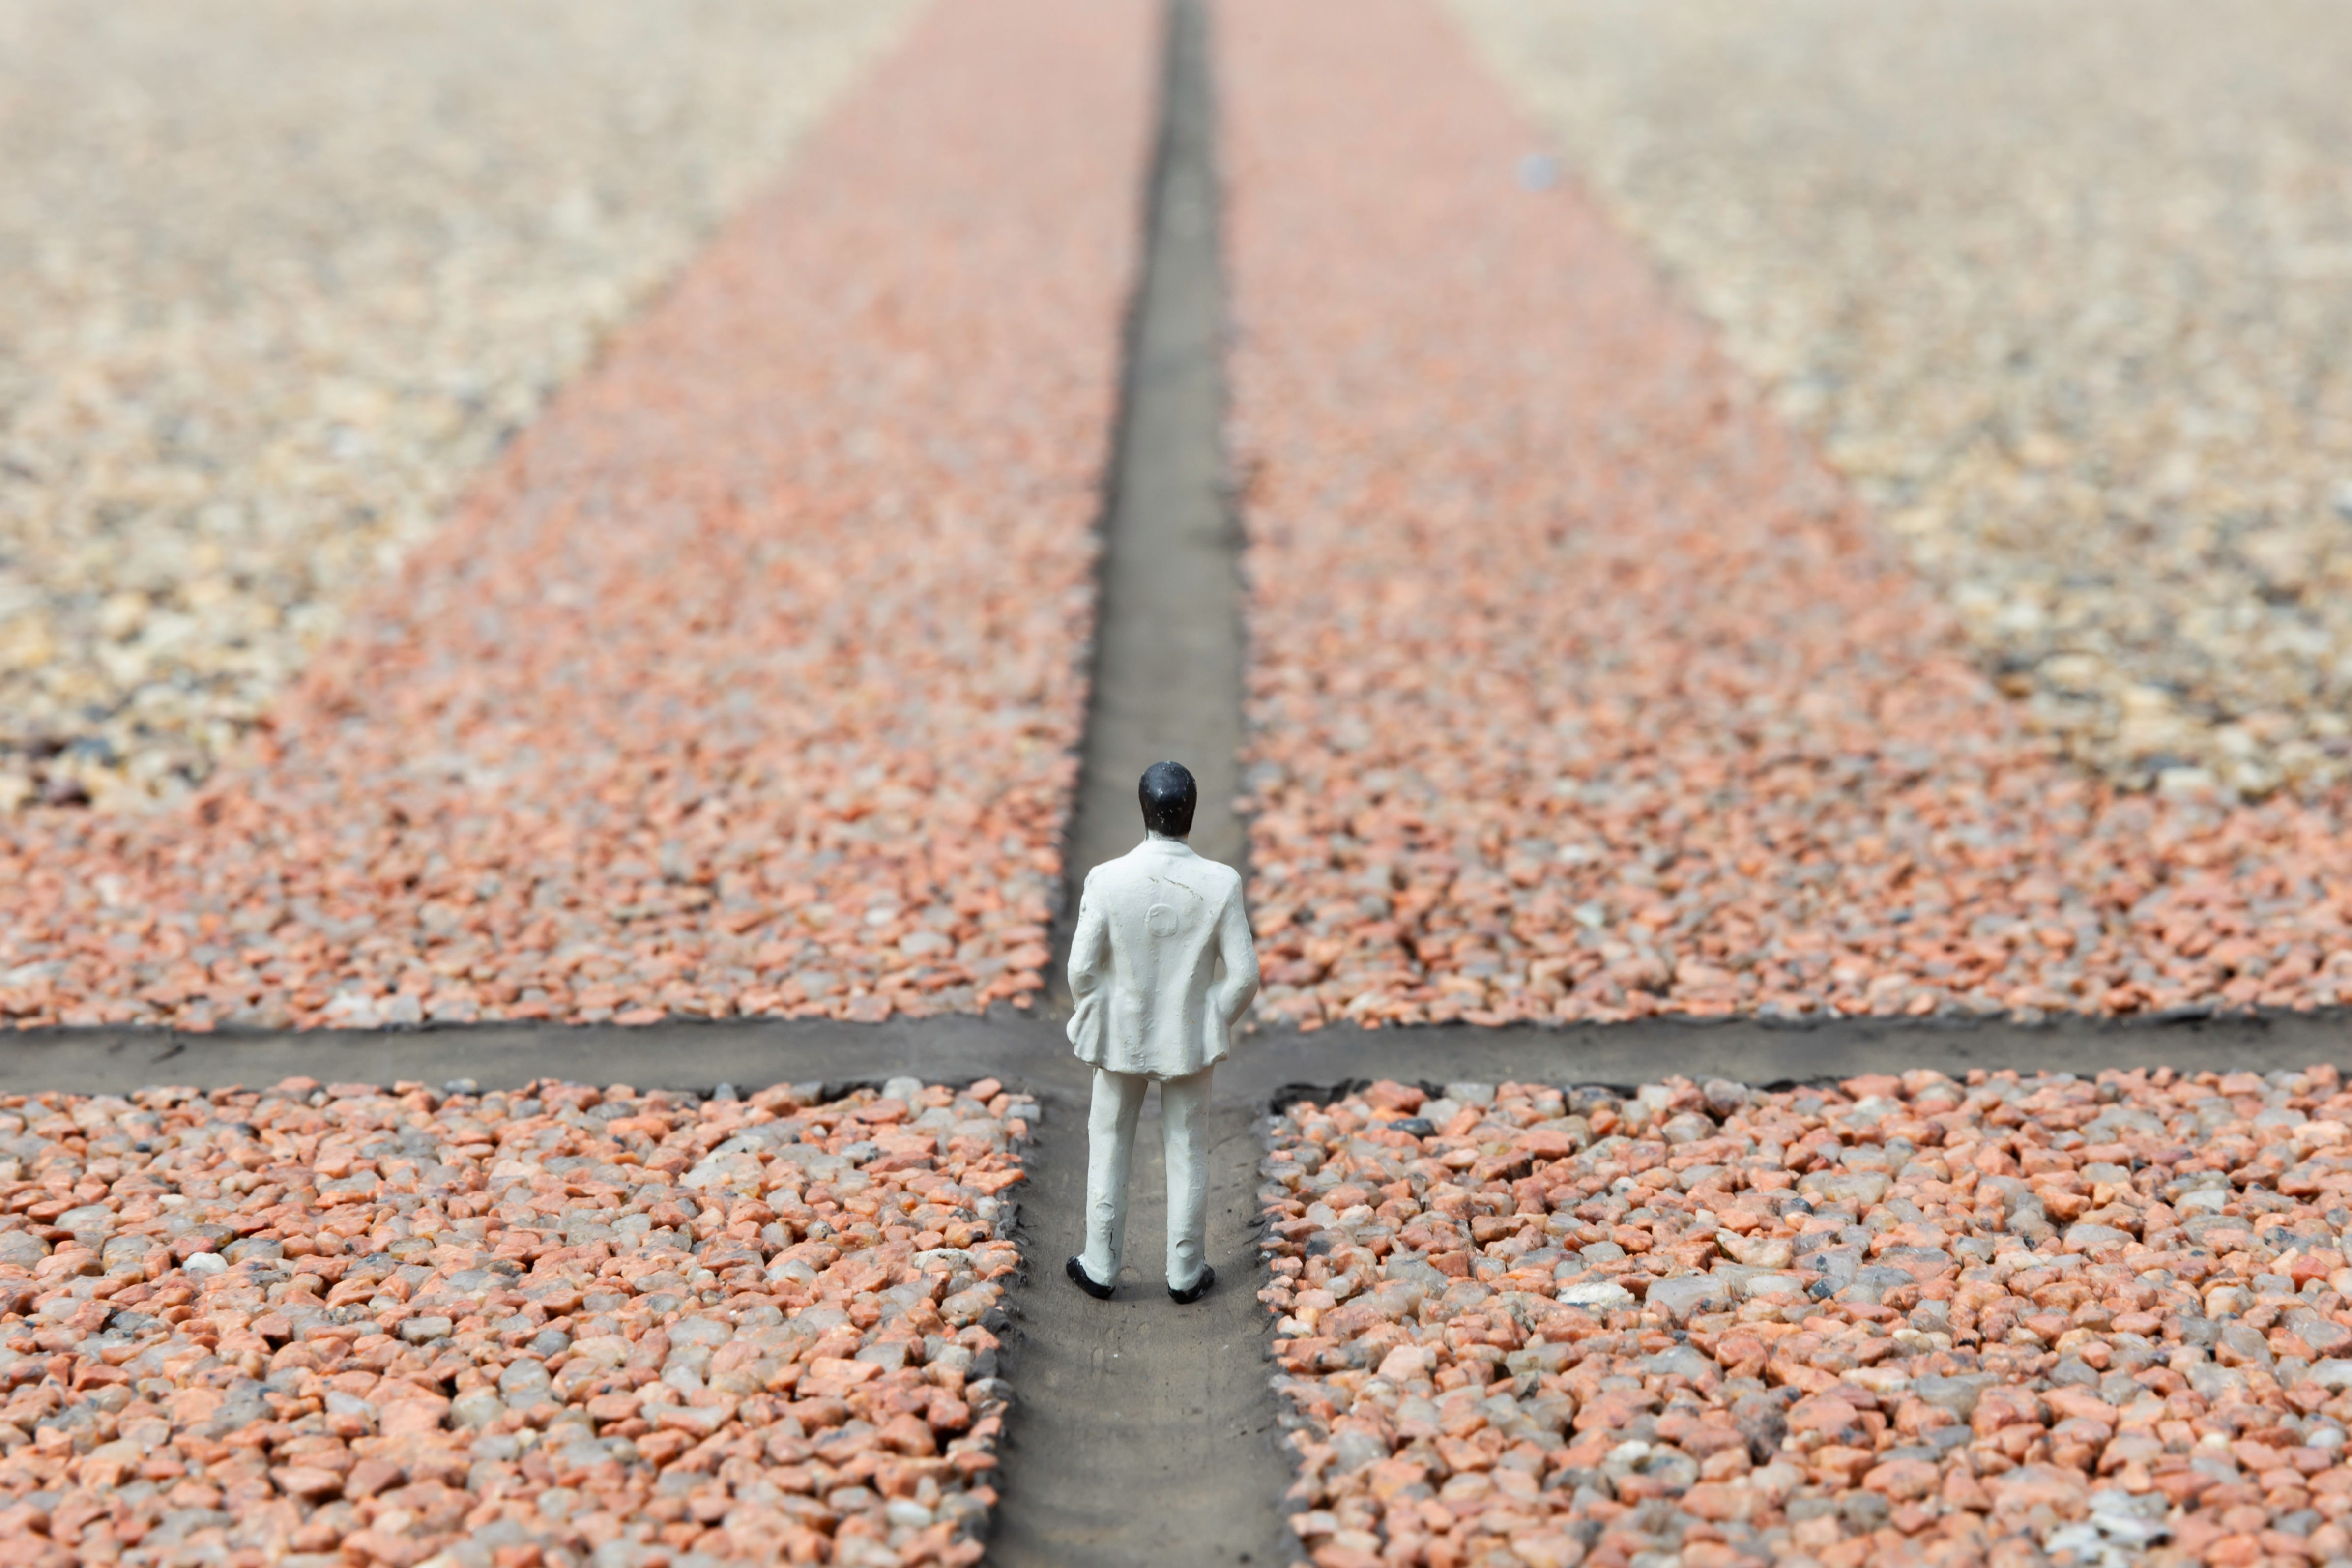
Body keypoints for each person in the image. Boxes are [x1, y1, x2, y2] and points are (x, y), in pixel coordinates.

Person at [1064, 760, 1259, 1303]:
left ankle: (1100, 1263)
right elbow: (1244, 976)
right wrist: (1210, 1019)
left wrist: (1097, 1011)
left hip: (1120, 1036)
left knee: (1108, 1141)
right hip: (1188, 1041)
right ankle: (1186, 1269)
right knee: (1189, 1147)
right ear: (1190, 814)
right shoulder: (1221, 883)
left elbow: (1081, 970)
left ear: (1144, 810)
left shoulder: (1106, 879)